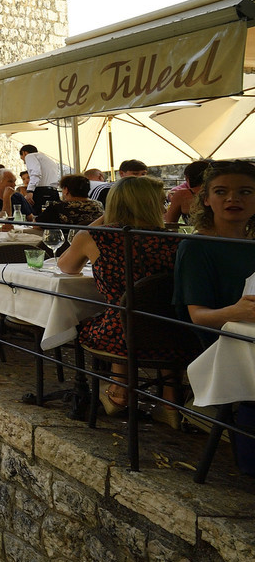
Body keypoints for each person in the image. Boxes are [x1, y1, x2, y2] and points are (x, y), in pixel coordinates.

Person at [58, 176, 178, 415]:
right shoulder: (175, 239)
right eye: (161, 202)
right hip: (174, 330)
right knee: (150, 312)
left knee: (107, 316)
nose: (165, 208)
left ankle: (119, 391)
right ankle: (170, 400)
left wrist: (104, 219)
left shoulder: (96, 236)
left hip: (118, 332)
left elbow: (66, 267)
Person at [174, 161, 255, 470]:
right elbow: (198, 317)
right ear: (206, 199)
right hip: (221, 342)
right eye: (221, 192)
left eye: (245, 192)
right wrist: (236, 311)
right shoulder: (196, 247)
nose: (233, 198)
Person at [41, 174, 105, 229]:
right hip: (93, 238)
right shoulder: (98, 205)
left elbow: (38, 225)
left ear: (66, 190)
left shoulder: (57, 207)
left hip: (64, 239)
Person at [21, 145, 71, 214]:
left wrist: (30, 191)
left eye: (23, 159)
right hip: (53, 192)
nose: (24, 162)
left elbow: (35, 173)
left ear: (24, 153)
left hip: (41, 192)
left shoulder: (29, 156)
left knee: (38, 216)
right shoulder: (49, 161)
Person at [165, 159, 210, 227]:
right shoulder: (218, 194)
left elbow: (169, 223)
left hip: (194, 233)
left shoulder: (182, 195)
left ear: (187, 178)